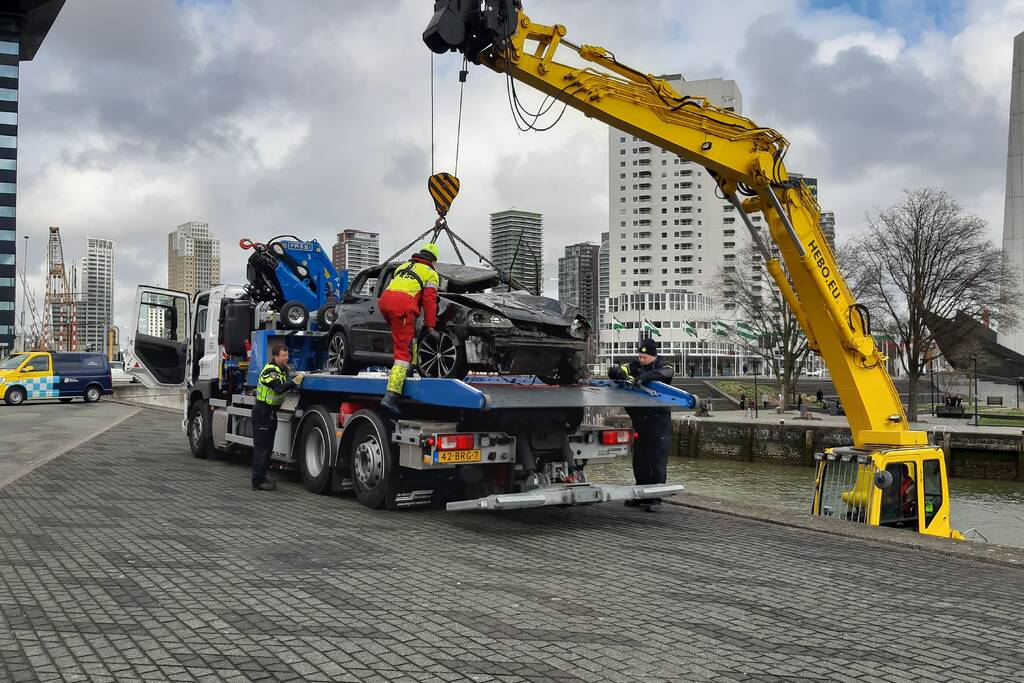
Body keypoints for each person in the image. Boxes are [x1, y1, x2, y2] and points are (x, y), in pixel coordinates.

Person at [608, 338, 674, 512]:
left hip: (658, 422)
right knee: (640, 460)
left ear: (653, 356)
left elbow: (665, 373)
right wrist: (616, 372)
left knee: (657, 461)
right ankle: (641, 493)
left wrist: (644, 377)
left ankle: (655, 498)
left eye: (645, 357)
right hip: (641, 422)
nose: (641, 359)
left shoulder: (663, 366)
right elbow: (618, 369)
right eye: (640, 356)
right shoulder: (634, 365)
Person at [378, 243, 441, 416]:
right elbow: (429, 301)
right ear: (434, 260)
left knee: (407, 337)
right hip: (402, 307)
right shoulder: (431, 273)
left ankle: (411, 368)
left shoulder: (404, 266)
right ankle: (391, 396)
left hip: (385, 302)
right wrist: (430, 326)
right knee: (402, 354)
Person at [252, 344, 304, 490]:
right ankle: (257, 481)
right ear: (275, 356)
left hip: (271, 412)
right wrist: (295, 382)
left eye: (287, 355)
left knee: (268, 447)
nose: (286, 358)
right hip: (262, 411)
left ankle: (262, 475)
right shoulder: (270, 370)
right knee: (261, 447)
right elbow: (279, 388)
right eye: (283, 356)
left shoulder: (282, 369)